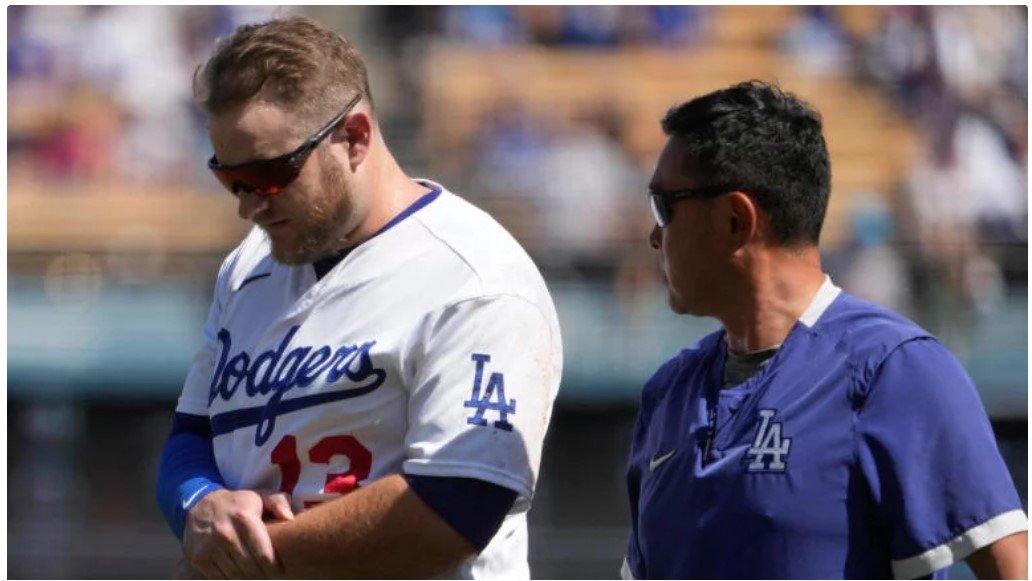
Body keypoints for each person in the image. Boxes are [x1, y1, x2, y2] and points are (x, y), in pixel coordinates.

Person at [155, 18, 563, 579]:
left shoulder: (475, 280)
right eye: (232, 179)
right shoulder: (248, 264)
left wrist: (242, 560)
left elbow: (455, 509)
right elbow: (192, 435)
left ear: (356, 137)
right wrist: (200, 504)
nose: (249, 206)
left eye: (270, 174)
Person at [622, 81, 1027, 579]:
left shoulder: (894, 368)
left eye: (665, 205)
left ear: (735, 219)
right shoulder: (668, 393)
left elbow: (1011, 568)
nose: (654, 235)